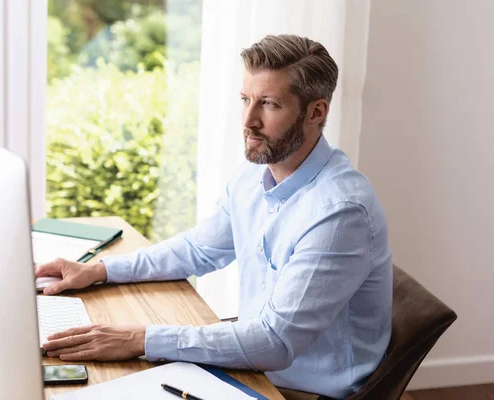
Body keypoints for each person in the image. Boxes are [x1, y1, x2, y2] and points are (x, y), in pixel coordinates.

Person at [35, 34, 392, 400]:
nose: (249, 121)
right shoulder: (257, 171)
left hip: (300, 389)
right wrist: (100, 271)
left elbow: (273, 342)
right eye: (245, 100)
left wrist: (137, 338)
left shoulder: (339, 212)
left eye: (268, 104)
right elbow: (198, 249)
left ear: (316, 112)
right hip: (257, 363)